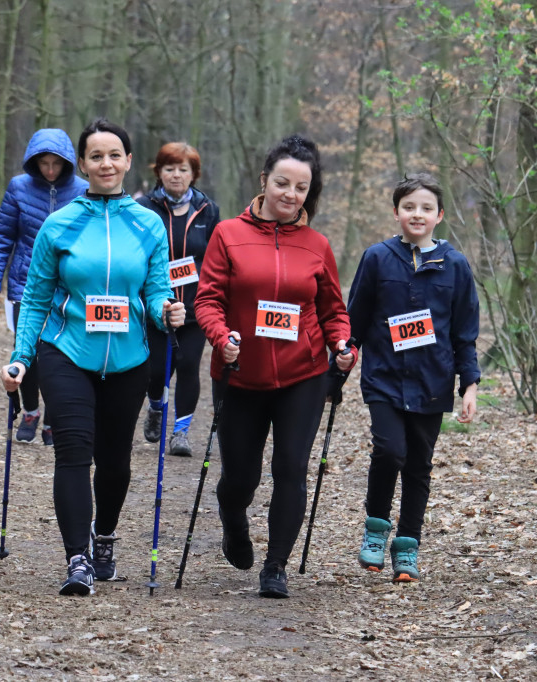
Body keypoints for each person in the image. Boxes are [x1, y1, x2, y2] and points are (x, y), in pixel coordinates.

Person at [0, 118, 186, 597]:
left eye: (114, 155)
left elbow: (155, 291)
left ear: (128, 162)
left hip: (128, 359)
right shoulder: (59, 224)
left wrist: (167, 312)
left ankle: (104, 537)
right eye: (96, 156)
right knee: (73, 451)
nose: (106, 163)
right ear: (82, 165)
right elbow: (35, 296)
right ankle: (76, 558)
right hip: (67, 352)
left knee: (115, 459)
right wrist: (21, 357)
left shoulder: (147, 223)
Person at [195, 134, 355, 599]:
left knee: (291, 468)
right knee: (239, 477)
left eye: (301, 188)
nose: (290, 194)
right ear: (264, 181)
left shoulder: (317, 245)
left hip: (302, 376)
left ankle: (276, 566)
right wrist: (221, 338)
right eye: (282, 183)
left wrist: (342, 344)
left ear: (310, 193)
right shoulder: (228, 234)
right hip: (239, 374)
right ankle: (234, 525)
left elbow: (333, 312)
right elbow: (208, 300)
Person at [346, 172, 479, 583]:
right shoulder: (377, 258)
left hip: (432, 382)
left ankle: (407, 548)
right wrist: (342, 357)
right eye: (409, 207)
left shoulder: (455, 265)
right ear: (396, 212)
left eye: (425, 208)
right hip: (384, 377)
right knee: (389, 451)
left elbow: (464, 332)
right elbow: (355, 318)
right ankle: (375, 529)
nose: (416, 214)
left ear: (439, 215)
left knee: (418, 465)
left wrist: (469, 384)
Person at [0, 129, 89, 445]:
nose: (51, 170)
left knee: (61, 353)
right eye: (44, 163)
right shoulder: (19, 187)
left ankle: (54, 419)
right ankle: (30, 410)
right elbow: (3, 235)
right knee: (26, 351)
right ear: (34, 162)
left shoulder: (84, 190)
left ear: (68, 162)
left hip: (68, 286)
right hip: (24, 283)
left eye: (57, 163)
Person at [136, 142, 220, 457]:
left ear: (193, 174)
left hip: (195, 306)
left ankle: (180, 433)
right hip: (157, 306)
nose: (176, 175)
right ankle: (156, 405)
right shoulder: (143, 207)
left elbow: (214, 256)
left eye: (183, 169)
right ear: (158, 171)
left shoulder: (208, 210)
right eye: (169, 168)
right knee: (156, 371)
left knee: (187, 365)